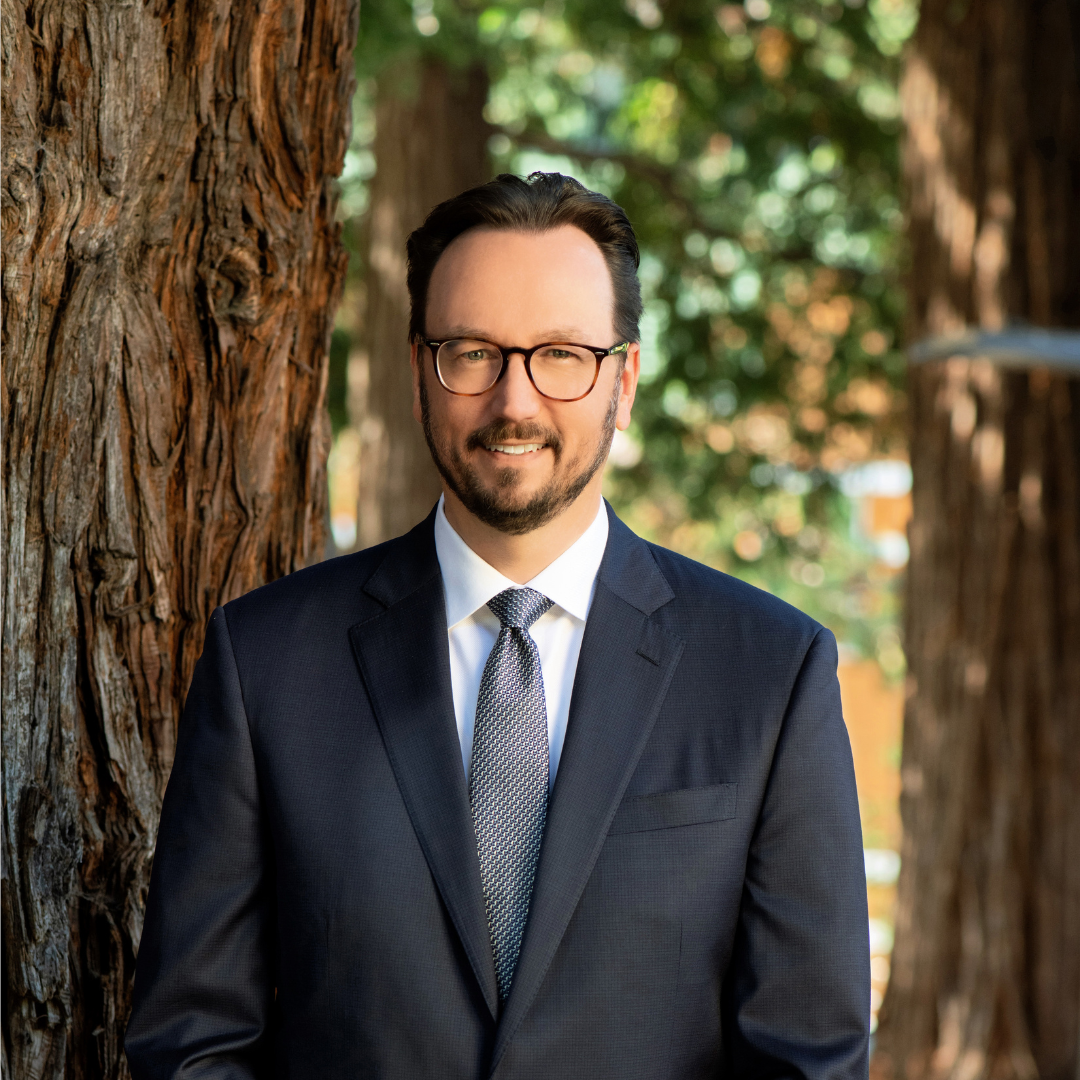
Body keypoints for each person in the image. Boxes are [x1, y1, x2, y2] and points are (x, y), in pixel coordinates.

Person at [126, 172, 869, 1079]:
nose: (515, 402)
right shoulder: (266, 662)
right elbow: (192, 1041)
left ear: (623, 380)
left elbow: (809, 1060)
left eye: (561, 353)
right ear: (418, 371)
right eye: (473, 351)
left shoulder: (769, 673)